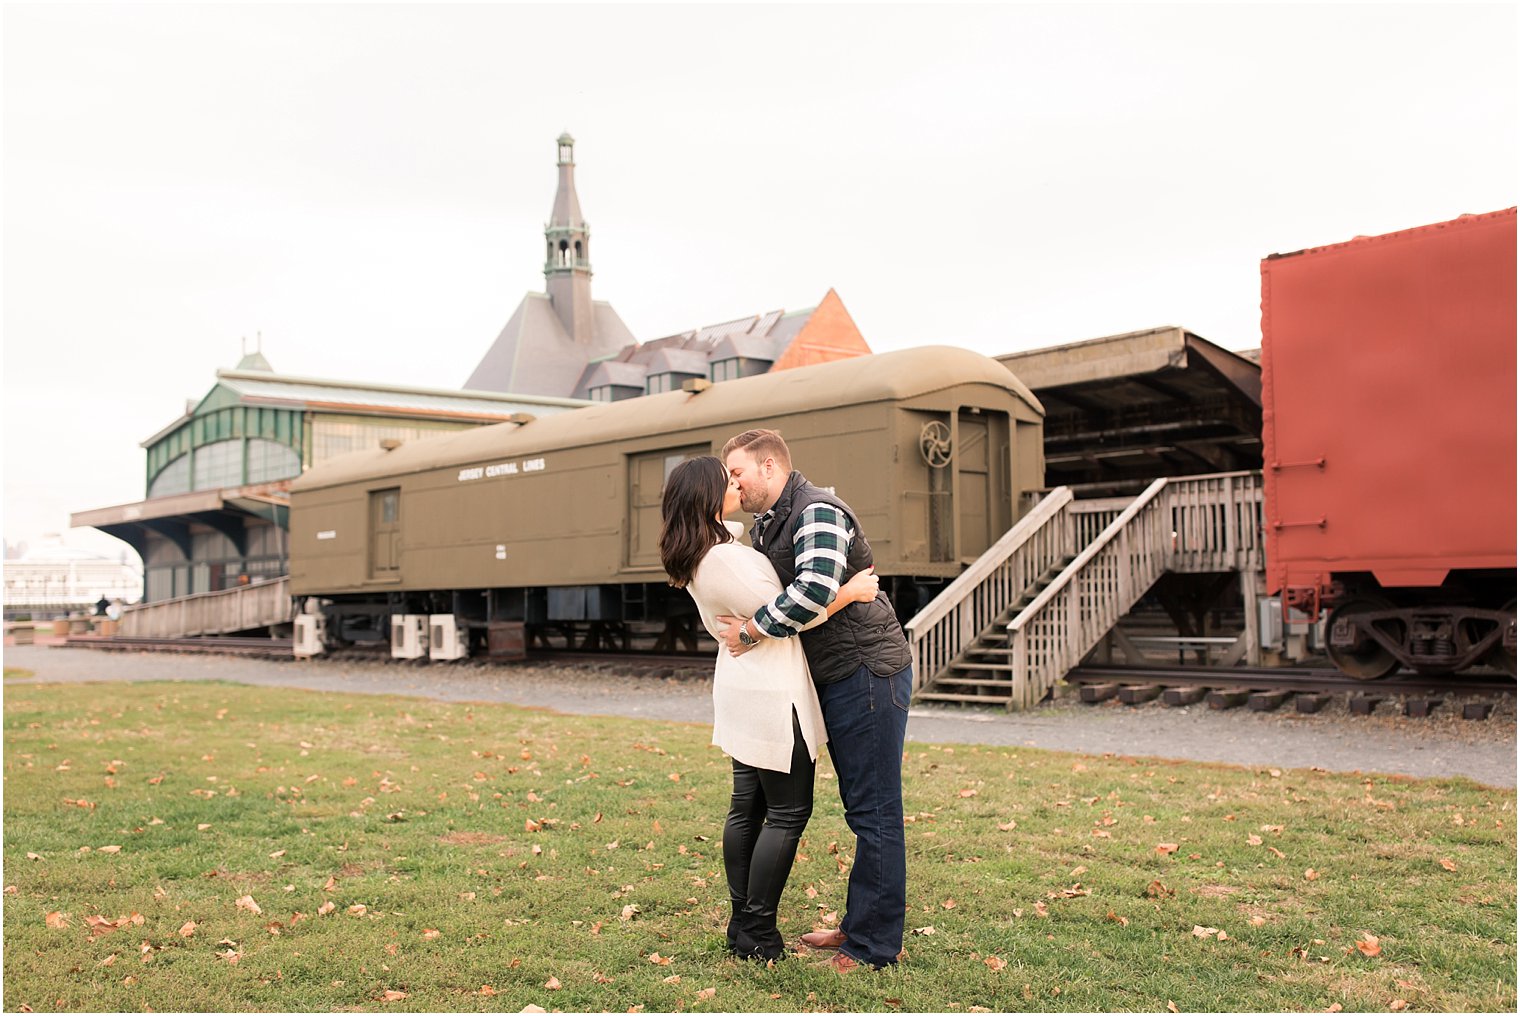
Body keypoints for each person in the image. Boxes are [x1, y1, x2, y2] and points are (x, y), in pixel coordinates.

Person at [658, 455, 881, 962]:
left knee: (749, 808)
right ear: (708, 496)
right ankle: (757, 931)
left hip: (744, 687)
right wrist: (850, 591)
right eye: (727, 478)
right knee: (786, 811)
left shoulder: (708, 552)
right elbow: (793, 609)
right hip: (772, 689)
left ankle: (743, 923)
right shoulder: (726, 558)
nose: (735, 482)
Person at [715, 429, 914, 972]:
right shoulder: (769, 520)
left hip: (866, 670)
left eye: (737, 473)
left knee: (874, 812)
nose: (731, 483)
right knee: (861, 809)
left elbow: (814, 590)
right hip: (836, 671)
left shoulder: (816, 510)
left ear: (769, 466)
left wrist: (751, 631)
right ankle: (858, 926)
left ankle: (873, 947)